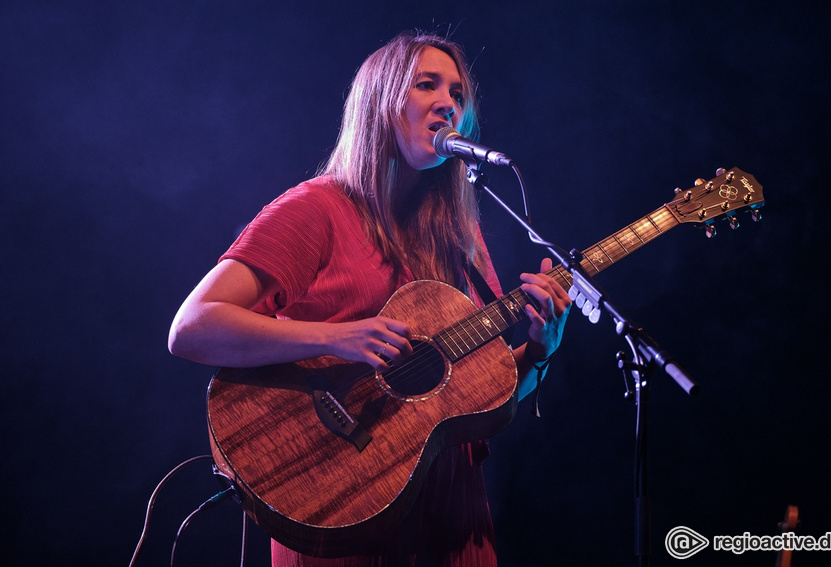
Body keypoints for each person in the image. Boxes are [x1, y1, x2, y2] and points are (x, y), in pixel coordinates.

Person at [168, 31, 571, 566]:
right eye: (427, 85)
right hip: (337, 511)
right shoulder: (316, 210)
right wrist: (338, 337)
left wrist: (541, 351)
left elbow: (474, 399)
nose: (447, 103)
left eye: (458, 94)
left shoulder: (460, 238)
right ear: (381, 102)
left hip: (455, 525)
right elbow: (192, 327)